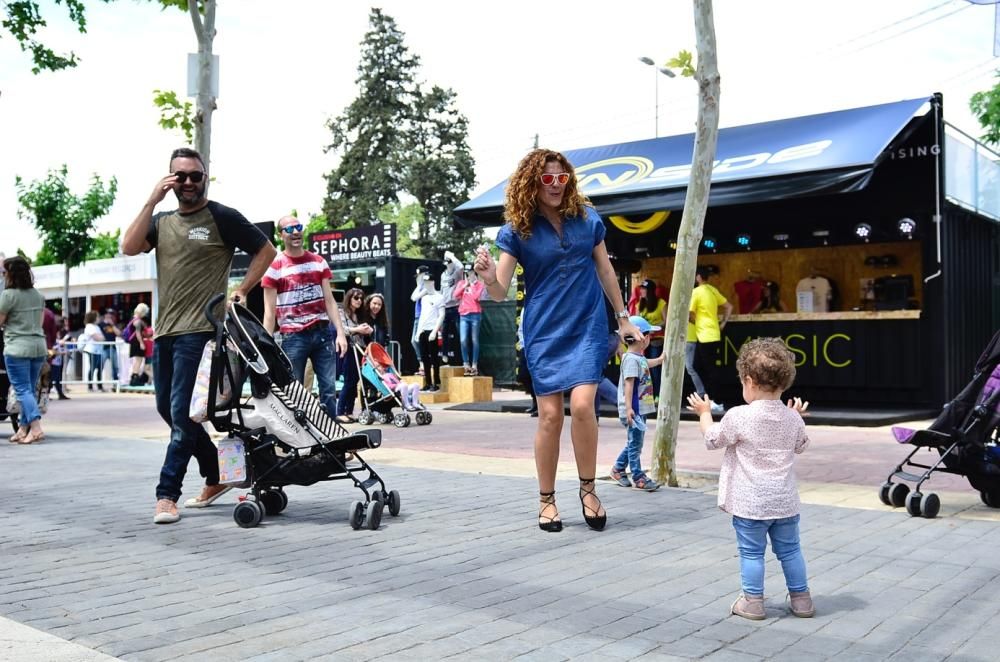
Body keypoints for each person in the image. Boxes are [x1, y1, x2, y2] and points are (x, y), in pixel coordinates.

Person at [474, 148, 641, 533]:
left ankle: (588, 490)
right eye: (546, 179)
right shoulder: (517, 230)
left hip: (586, 324)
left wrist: (623, 317)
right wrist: (486, 276)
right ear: (533, 183)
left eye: (560, 178)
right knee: (550, 416)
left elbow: (605, 270)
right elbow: (499, 292)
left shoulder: (587, 218)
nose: (554, 185)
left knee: (583, 405)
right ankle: (546, 499)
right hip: (544, 329)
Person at [122, 147, 276, 525]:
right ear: (170, 179)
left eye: (196, 175)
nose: (189, 182)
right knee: (168, 411)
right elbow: (128, 247)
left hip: (202, 333)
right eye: (181, 176)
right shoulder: (160, 221)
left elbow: (266, 250)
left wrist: (241, 289)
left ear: (205, 178)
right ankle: (217, 475)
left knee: (182, 414)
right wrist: (150, 200)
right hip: (165, 333)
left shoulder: (221, 216)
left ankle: (166, 494)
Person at [686, 337, 814, 621]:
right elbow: (801, 445)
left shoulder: (739, 416)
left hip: (751, 503)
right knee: (791, 551)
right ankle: (802, 600)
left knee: (752, 553)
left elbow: (712, 439)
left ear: (749, 380)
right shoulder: (792, 419)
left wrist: (705, 414)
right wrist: (796, 417)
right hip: (784, 503)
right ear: (784, 383)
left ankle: (753, 602)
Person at [262, 216, 348, 418]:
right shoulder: (275, 268)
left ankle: (332, 435)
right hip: (293, 337)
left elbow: (329, 301)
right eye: (289, 229)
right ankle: (302, 437)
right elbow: (269, 312)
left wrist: (341, 333)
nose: (295, 232)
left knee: (328, 389)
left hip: (322, 333)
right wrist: (266, 346)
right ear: (281, 234)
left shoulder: (318, 262)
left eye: (298, 227)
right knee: (295, 391)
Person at [610, 316, 664, 492]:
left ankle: (618, 469)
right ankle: (638, 476)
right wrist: (629, 409)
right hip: (634, 410)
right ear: (642, 337)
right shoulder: (632, 360)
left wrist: (660, 360)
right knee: (635, 444)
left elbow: (646, 364)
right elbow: (629, 384)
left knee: (634, 442)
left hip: (638, 409)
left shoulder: (637, 358)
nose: (649, 338)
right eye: (648, 334)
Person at [0, 256, 48, 444]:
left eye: (4, 273)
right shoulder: (38, 295)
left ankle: (35, 427)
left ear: (10, 274)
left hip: (17, 347)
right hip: (38, 346)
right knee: (28, 389)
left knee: (22, 389)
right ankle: (22, 429)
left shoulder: (8, 296)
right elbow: (40, 323)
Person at [690, 266, 732, 413]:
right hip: (713, 333)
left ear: (698, 277)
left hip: (704, 335)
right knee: (698, 366)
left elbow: (689, 313)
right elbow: (729, 307)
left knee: (710, 370)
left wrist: (696, 322)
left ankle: (717, 401)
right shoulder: (713, 290)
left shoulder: (696, 292)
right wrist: (723, 323)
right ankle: (709, 398)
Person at [336, 287, 372, 423]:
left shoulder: (359, 315)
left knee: (355, 381)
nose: (359, 301)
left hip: (360, 349)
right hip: (349, 349)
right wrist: (358, 329)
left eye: (361, 298)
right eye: (356, 298)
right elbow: (342, 329)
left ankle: (349, 411)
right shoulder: (342, 312)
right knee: (349, 381)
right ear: (349, 298)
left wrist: (367, 330)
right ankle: (340, 412)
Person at [413, 273, 446, 392]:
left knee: (434, 358)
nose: (426, 285)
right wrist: (418, 331)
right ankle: (428, 382)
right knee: (424, 357)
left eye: (428, 283)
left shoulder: (439, 297)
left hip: (432, 330)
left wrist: (434, 331)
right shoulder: (424, 298)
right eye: (425, 283)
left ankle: (436, 382)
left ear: (432, 283)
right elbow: (422, 314)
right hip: (423, 330)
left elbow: (441, 315)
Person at [636, 278, 667, 397]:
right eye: (641, 289)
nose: (642, 291)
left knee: (655, 368)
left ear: (650, 291)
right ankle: (649, 393)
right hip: (642, 342)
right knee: (644, 368)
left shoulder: (661, 303)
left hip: (656, 340)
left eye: (644, 289)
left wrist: (653, 326)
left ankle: (659, 394)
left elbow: (666, 321)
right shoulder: (640, 305)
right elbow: (636, 321)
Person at [453, 267, 485, 376]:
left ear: (475, 273)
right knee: (463, 340)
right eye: (467, 273)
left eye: (471, 273)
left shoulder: (480, 285)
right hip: (463, 315)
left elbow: (476, 297)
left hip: (475, 314)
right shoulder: (462, 283)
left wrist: (471, 285)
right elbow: (455, 295)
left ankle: (474, 365)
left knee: (474, 339)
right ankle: (466, 364)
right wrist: (464, 286)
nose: (469, 275)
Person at [125, 303, 151, 386]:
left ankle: (134, 377)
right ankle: (134, 378)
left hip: (135, 342)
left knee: (137, 360)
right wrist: (141, 343)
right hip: (137, 342)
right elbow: (138, 333)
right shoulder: (138, 321)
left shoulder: (133, 319)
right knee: (138, 361)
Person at [80, 310, 105, 391]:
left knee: (100, 368)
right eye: (97, 317)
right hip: (92, 350)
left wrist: (101, 338)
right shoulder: (89, 326)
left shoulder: (97, 327)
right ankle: (90, 386)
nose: (99, 318)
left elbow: (102, 337)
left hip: (98, 350)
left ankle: (100, 386)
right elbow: (97, 338)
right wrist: (100, 338)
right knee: (93, 368)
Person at [50, 316, 73, 399]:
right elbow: (55, 346)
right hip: (53, 359)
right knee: (52, 377)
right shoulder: (53, 334)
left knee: (58, 377)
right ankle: (48, 393)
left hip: (58, 359)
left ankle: (60, 393)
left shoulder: (64, 332)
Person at [100, 309, 121, 384]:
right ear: (105, 315)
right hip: (104, 348)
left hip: (113, 348)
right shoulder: (100, 325)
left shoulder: (113, 325)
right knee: (100, 366)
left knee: (115, 367)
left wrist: (112, 325)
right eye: (109, 314)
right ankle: (99, 384)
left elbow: (119, 334)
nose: (110, 316)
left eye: (112, 314)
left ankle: (115, 383)